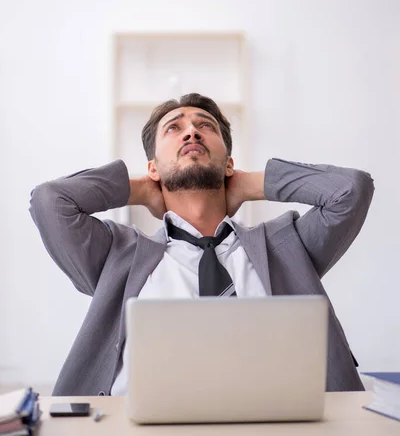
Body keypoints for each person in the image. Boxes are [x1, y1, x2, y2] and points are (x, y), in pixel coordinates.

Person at [29, 93, 374, 396]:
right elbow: (50, 201)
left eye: (205, 126)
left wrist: (254, 184)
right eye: (174, 128)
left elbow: (351, 190)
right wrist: (140, 189)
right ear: (152, 167)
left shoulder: (286, 246)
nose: (191, 131)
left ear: (229, 164)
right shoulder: (117, 255)